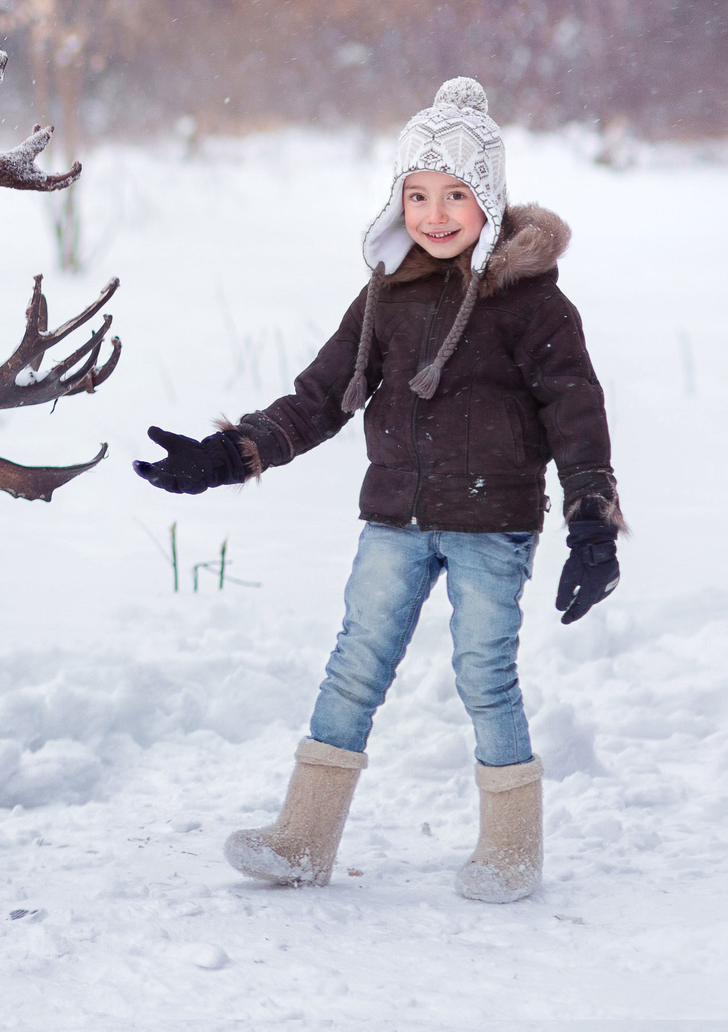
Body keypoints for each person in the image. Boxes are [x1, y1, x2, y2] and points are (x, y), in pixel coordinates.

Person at [134, 78, 621, 904]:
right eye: (419, 193)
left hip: (492, 521)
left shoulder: (532, 302)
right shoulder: (387, 294)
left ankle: (511, 849)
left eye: (456, 195)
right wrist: (229, 453)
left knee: (484, 675)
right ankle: (303, 839)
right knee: (354, 665)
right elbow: (321, 395)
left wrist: (592, 524)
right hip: (395, 516)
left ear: (489, 200)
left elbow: (577, 412)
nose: (435, 213)